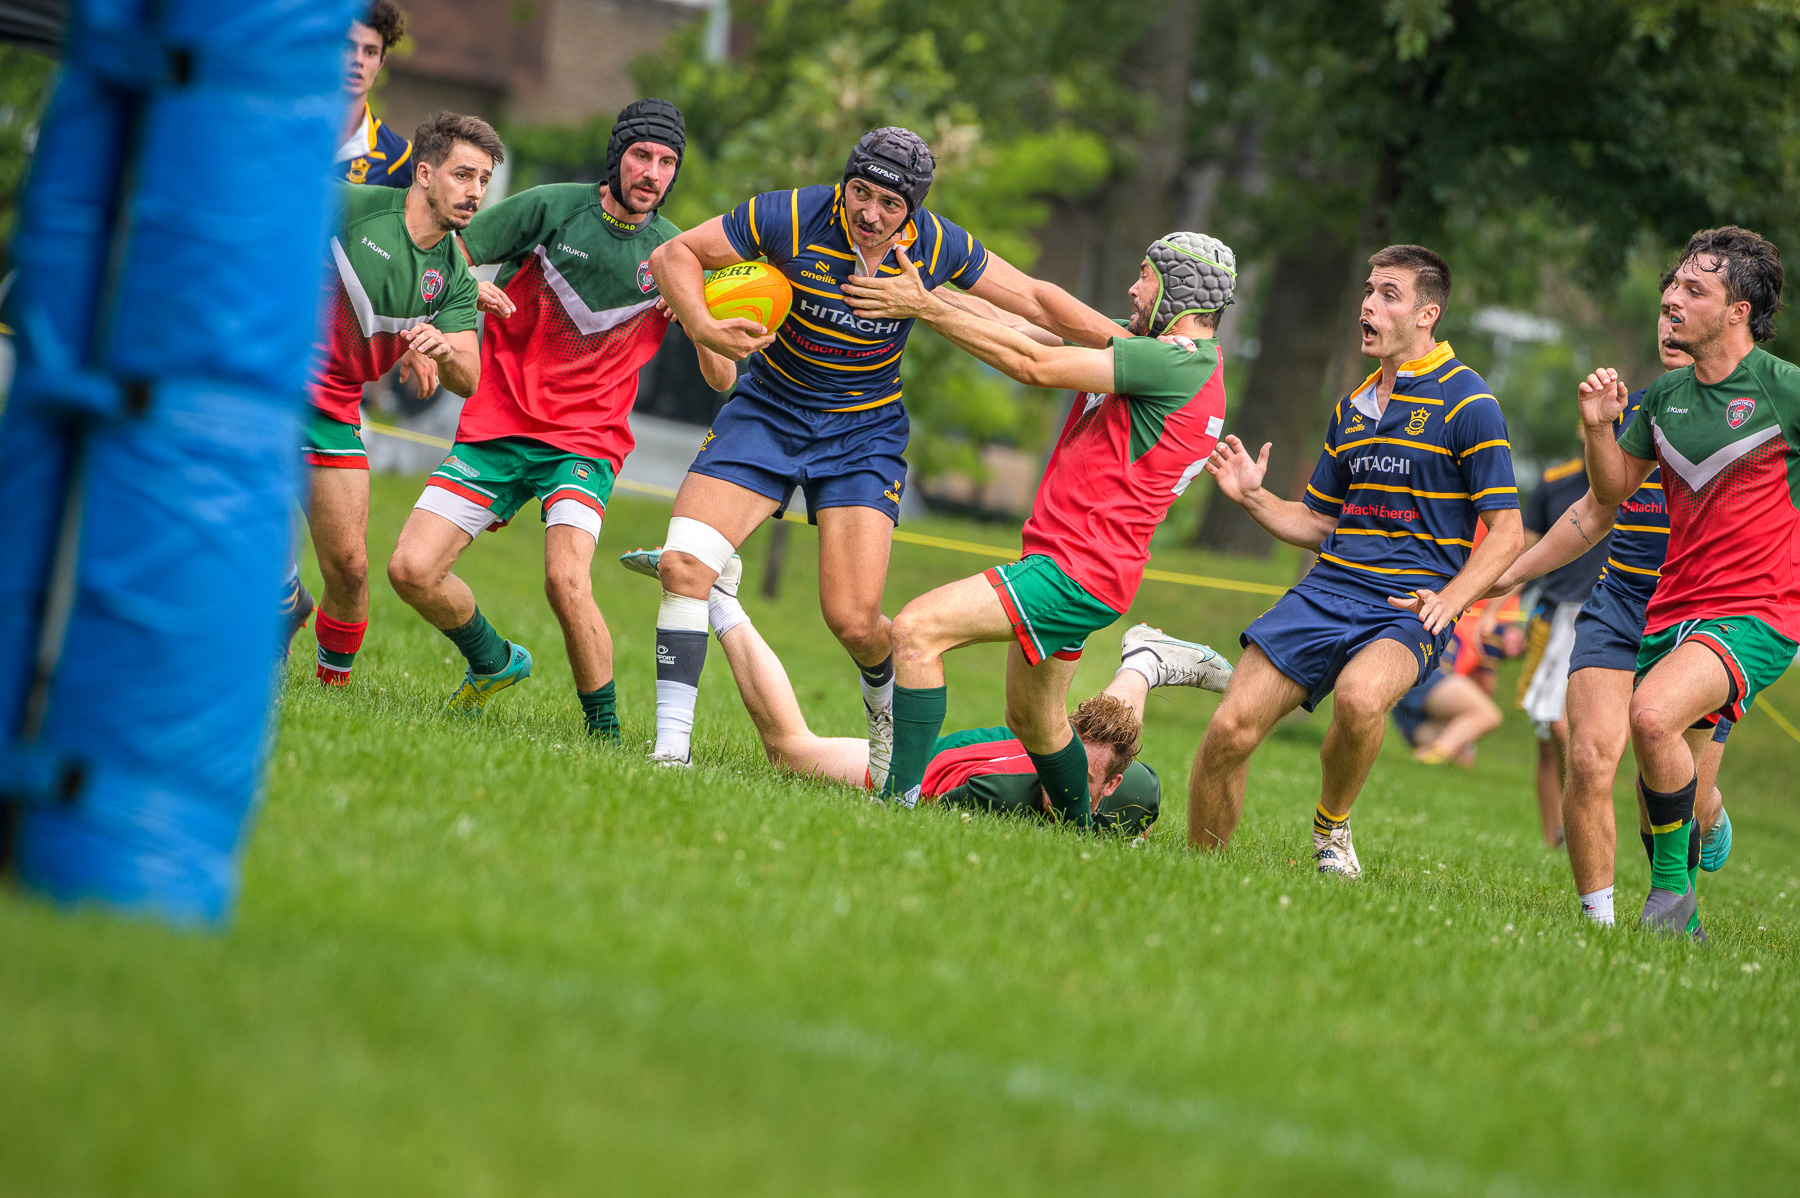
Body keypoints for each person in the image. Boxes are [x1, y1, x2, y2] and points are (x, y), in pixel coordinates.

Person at [643, 126, 1121, 770]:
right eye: (859, 193)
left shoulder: (938, 245)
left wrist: (1129, 344)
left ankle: (886, 718)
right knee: (683, 567)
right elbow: (677, 253)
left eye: (889, 204)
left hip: (863, 435)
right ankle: (669, 753)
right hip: (768, 411)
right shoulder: (790, 213)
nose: (869, 213)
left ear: (912, 211)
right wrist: (702, 325)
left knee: (855, 621)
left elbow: (1034, 298)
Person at [839, 233, 1237, 818]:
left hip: (1075, 571)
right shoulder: (1158, 353)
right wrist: (928, 293)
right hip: (1086, 569)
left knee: (917, 631)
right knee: (1034, 721)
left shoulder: (1173, 362)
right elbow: (1024, 325)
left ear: (1180, 291)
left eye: (1146, 276)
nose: (1133, 287)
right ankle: (1080, 824)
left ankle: (895, 806)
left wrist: (923, 306)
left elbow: (1032, 364)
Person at [385, 100, 729, 732]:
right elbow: (449, 248)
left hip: (586, 440)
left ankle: (604, 736)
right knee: (410, 569)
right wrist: (468, 291)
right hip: (500, 421)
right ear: (617, 156)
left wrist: (702, 324)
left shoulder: (675, 255)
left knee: (565, 580)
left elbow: (722, 379)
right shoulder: (553, 206)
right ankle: (492, 660)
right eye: (641, 155)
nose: (652, 172)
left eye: (666, 162)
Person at [1190, 244, 1524, 877]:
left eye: (1388, 295)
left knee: (1360, 697)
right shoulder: (1352, 407)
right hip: (1329, 589)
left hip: (1409, 606)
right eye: (1368, 292)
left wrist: (1451, 602)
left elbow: (1507, 534)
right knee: (1229, 730)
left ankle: (1331, 830)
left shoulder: (1469, 402)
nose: (1369, 305)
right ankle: (1200, 872)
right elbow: (1319, 522)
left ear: (1428, 314)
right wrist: (1255, 499)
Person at [618, 551, 1192, 836]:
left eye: (1085, 779)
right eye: (1066, 764)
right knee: (788, 750)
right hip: (928, 767)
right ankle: (722, 594)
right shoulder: (1001, 790)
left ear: (1111, 786)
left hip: (963, 760)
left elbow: (1118, 743)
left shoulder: (1133, 791)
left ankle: (1144, 657)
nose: (1062, 782)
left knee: (1118, 729)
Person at [1579, 225, 1798, 936]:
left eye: (1693, 290)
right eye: (1673, 283)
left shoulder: (1783, 390)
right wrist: (1597, 430)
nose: (1671, 298)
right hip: (1674, 608)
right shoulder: (1666, 396)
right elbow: (1613, 489)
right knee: (1671, 785)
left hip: (1760, 613)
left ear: (1738, 311)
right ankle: (1686, 910)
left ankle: (1669, 905)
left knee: (1648, 714)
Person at [1490, 309, 1733, 928]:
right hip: (1620, 603)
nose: (1670, 322)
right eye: (1663, 311)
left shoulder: (1752, 416)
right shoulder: (1640, 412)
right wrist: (1514, 573)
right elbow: (1595, 512)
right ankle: (1600, 924)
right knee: (1592, 755)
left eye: (1687, 308)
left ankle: (1708, 816)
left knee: (1679, 798)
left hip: (1701, 619)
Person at [302, 113, 501, 686]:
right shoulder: (354, 205)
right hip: (270, 384)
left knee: (351, 568)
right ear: (422, 174)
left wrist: (441, 348)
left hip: (336, 405)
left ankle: (330, 689)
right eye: (463, 175)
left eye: (484, 180)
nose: (475, 192)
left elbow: (469, 376)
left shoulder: (455, 277)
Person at [1511, 450, 1612, 846]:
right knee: (1546, 737)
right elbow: (1527, 550)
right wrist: (1493, 611)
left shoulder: (1637, 480)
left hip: (1603, 620)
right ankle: (1557, 837)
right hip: (1552, 619)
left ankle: (1581, 823)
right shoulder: (1556, 479)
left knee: (1566, 727)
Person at [1389, 640, 1502, 767]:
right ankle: (1437, 754)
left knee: (1461, 759)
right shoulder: (1486, 629)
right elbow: (1487, 685)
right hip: (1431, 674)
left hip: (1405, 700)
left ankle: (1431, 754)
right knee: (1487, 715)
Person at [336, 1, 412, 188]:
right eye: (349, 47)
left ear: (380, 64)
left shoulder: (397, 156)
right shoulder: (289, 124)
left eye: (370, 52)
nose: (358, 60)